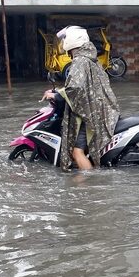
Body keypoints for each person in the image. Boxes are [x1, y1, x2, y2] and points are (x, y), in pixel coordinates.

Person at [43, 26, 120, 171]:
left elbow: (75, 88)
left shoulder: (80, 61)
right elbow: (82, 86)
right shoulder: (91, 59)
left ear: (72, 42)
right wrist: (58, 90)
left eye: (65, 40)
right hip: (101, 109)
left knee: (76, 152)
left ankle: (88, 185)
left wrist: (56, 95)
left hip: (91, 114)